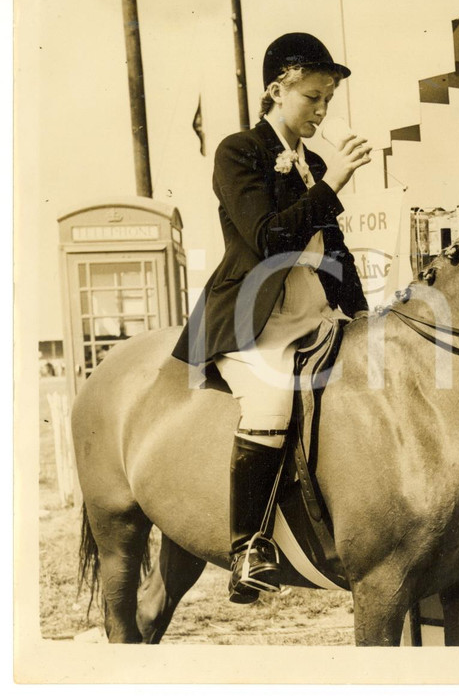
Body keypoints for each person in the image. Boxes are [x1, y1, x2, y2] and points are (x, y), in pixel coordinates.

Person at [172, 32, 372, 603]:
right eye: (313, 97)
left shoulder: (312, 163)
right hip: (254, 314)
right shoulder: (238, 151)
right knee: (272, 402)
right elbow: (267, 239)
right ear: (276, 90)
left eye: (328, 100)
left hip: (313, 308)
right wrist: (332, 184)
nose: (322, 110)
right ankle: (248, 547)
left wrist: (363, 317)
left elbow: (334, 252)